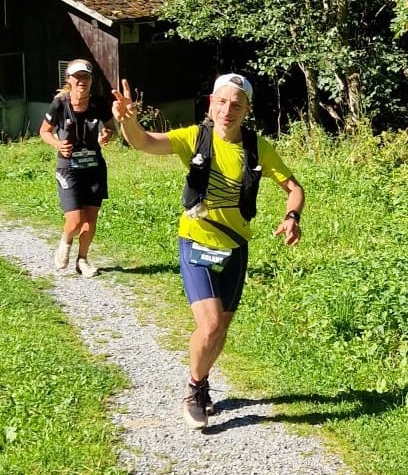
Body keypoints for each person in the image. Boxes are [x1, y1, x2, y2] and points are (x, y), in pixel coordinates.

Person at [112, 72, 305, 430]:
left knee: (221, 329)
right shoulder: (195, 138)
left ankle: (202, 383)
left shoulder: (258, 148)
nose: (228, 110)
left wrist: (292, 216)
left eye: (237, 104)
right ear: (211, 103)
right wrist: (128, 121)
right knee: (211, 323)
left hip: (235, 247)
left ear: (247, 110)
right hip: (196, 241)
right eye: (222, 102)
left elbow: (294, 188)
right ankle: (194, 388)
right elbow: (145, 142)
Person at [40, 60, 116, 278]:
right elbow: (44, 131)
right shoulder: (60, 104)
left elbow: (111, 128)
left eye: (86, 77)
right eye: (77, 77)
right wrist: (57, 144)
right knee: (75, 220)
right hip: (68, 167)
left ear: (91, 80)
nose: (82, 81)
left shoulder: (98, 104)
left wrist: (108, 134)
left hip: (94, 167)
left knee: (90, 220)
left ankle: (82, 260)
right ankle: (65, 242)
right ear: (69, 80)